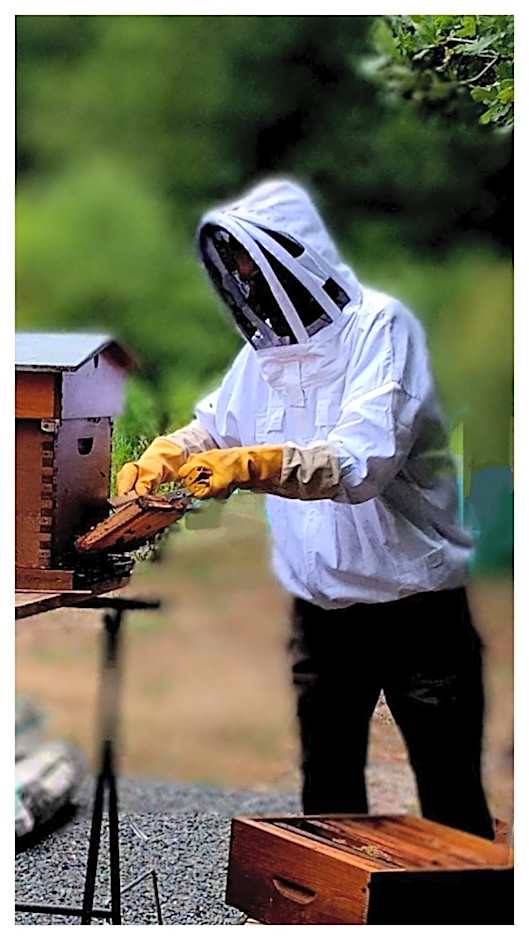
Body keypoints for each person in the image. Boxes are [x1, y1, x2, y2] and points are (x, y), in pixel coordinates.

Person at [117, 179, 494, 840]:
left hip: (416, 609)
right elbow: (218, 426)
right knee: (327, 793)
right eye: (234, 270)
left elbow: (360, 463)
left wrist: (253, 465)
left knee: (448, 793)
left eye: (251, 265)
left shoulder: (381, 327)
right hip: (320, 614)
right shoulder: (266, 353)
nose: (245, 282)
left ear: (295, 256)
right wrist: (171, 451)